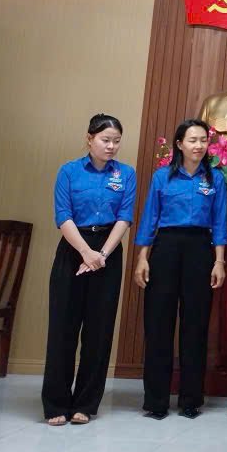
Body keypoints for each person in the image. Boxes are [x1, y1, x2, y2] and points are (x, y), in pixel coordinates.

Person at [42, 114, 135, 426]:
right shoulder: (69, 171)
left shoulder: (126, 174)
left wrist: (101, 254)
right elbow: (63, 215)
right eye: (105, 140)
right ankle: (56, 403)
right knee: (63, 328)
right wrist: (85, 252)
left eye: (116, 141)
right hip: (74, 248)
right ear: (89, 138)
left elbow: (124, 217)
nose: (111, 146)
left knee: (99, 330)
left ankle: (85, 403)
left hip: (108, 250)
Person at [133, 118, 227, 419]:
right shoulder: (162, 177)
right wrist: (142, 258)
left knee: (195, 325)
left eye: (203, 140)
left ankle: (190, 399)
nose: (199, 146)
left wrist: (219, 261)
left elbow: (220, 222)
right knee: (158, 324)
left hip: (200, 249)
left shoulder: (215, 178)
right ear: (179, 144)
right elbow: (150, 218)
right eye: (192, 140)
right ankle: (156, 401)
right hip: (165, 248)